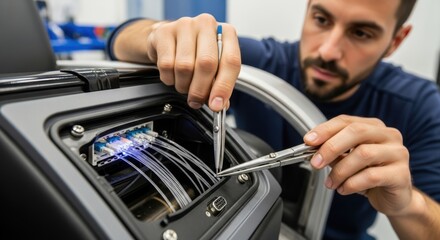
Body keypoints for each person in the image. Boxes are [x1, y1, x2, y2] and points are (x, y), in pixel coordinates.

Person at [106, 0, 440, 239]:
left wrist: (408, 205)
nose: (328, 50)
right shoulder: (260, 64)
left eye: (361, 33)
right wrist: (159, 35)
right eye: (322, 19)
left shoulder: (422, 105)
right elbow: (121, 38)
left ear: (396, 40)